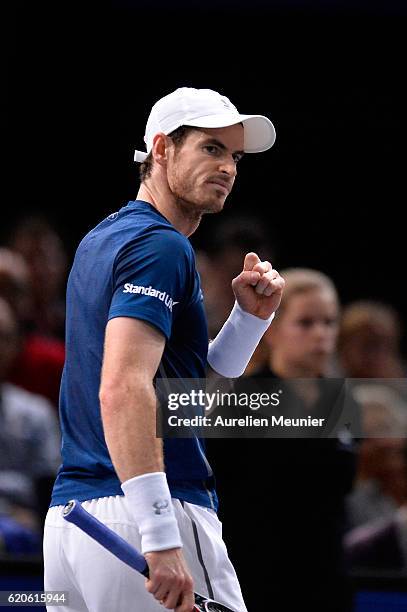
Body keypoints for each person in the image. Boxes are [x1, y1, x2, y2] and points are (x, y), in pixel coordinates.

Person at [43, 87, 284, 612]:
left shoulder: (102, 240)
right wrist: (159, 535)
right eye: (211, 148)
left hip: (72, 525)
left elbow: (184, 401)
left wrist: (247, 322)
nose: (228, 168)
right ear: (161, 149)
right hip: (148, 512)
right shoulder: (162, 247)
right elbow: (123, 388)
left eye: (235, 156)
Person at [209, 268, 358, 611]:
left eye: (329, 322)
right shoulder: (241, 399)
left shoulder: (344, 400)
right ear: (272, 330)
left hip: (327, 582)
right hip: (256, 579)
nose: (321, 334)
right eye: (306, 323)